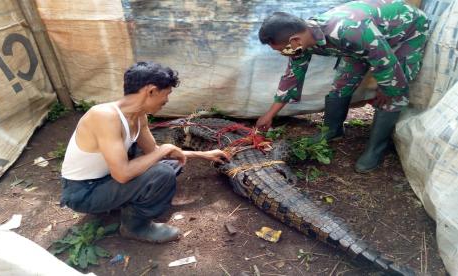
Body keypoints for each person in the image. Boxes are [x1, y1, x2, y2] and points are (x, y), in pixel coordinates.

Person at [60, 61, 229, 243]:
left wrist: (203, 155)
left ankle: (122, 203)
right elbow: (123, 174)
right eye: (167, 93)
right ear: (151, 91)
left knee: (171, 164)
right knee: (162, 174)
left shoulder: (139, 117)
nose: (167, 100)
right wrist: (164, 150)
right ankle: (135, 227)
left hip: (106, 181)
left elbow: (156, 152)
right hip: (84, 193)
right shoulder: (104, 116)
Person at [256, 0, 429, 173]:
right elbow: (291, 78)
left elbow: (385, 62)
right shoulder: (302, 42)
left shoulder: (349, 30)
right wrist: (270, 115)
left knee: (393, 93)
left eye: (282, 50)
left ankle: (375, 149)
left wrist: (386, 88)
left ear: (295, 40)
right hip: (369, 39)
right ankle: (333, 130)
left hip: (408, 30)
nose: (282, 53)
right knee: (342, 84)